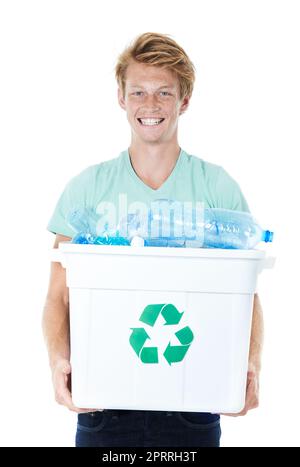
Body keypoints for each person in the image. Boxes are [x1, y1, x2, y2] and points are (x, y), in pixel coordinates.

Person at [42, 32, 263, 448]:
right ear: (121, 98)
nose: (150, 104)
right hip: (102, 404)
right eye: (138, 91)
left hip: (194, 403)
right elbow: (58, 296)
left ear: (185, 101)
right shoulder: (85, 190)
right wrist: (58, 362)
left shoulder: (218, 189)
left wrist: (250, 363)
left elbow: (246, 296)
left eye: (164, 92)